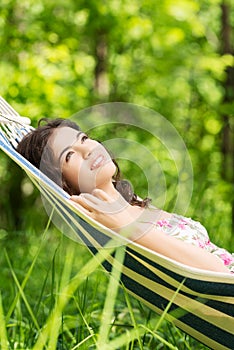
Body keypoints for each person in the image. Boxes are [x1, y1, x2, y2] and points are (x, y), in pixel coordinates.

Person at [17, 118, 234, 274]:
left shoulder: (131, 205)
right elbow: (217, 274)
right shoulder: (111, 224)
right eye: (70, 155)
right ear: (60, 183)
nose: (89, 149)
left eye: (84, 138)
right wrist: (124, 226)